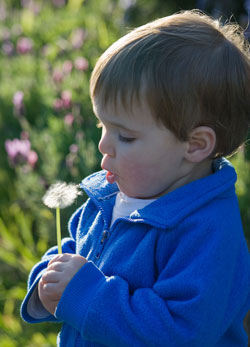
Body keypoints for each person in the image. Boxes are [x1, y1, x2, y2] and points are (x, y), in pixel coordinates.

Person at [21, 10, 250, 346]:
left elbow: (179, 332)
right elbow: (79, 249)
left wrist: (86, 294)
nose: (103, 145)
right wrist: (49, 281)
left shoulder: (207, 232)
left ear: (195, 145)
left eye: (125, 136)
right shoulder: (114, 193)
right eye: (103, 126)